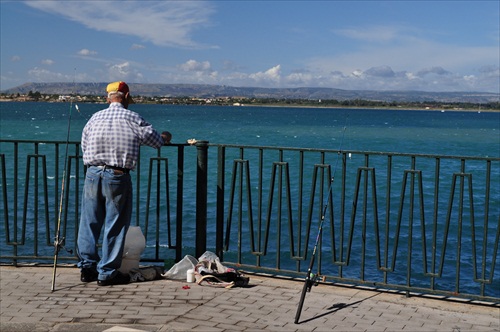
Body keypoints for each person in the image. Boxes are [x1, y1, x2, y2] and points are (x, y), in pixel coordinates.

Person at [77, 81, 172, 286]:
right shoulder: (132, 117)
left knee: (89, 222)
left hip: (92, 173)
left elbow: (84, 146)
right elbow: (155, 141)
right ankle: (107, 273)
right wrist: (165, 137)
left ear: (107, 98)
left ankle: (87, 268)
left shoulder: (94, 117)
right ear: (127, 97)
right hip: (117, 175)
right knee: (115, 224)